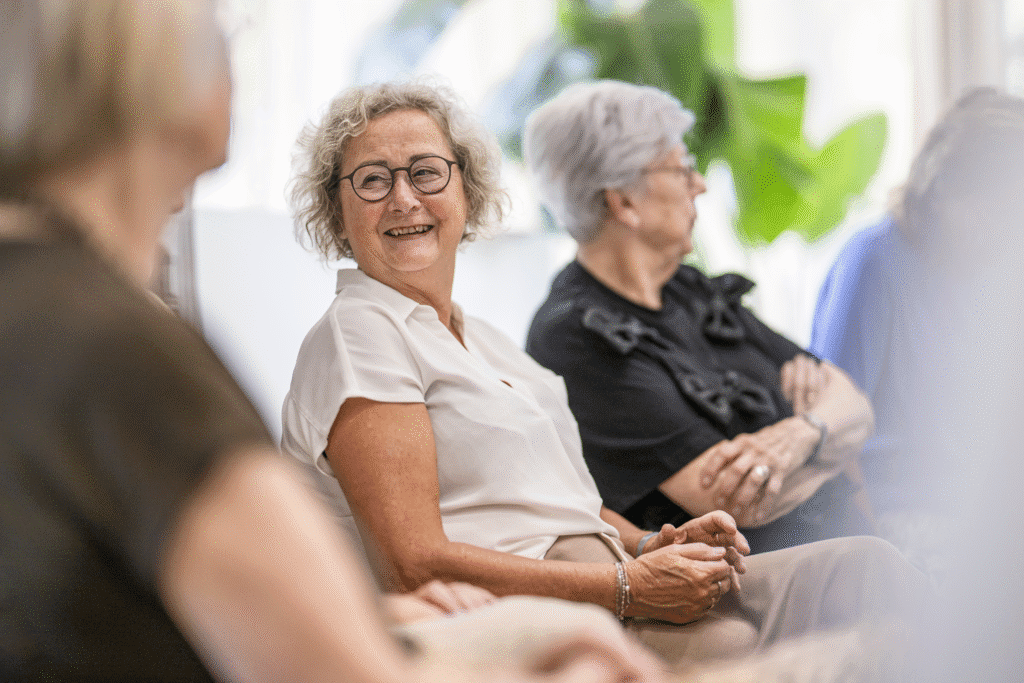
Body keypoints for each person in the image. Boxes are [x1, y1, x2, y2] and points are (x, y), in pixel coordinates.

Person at [0, 2, 663, 681]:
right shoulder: (118, 350)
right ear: (176, 88)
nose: (403, 197)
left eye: (426, 172)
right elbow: (344, 663)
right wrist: (547, 636)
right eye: (220, 32)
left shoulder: (41, 309)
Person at [281, 79, 923, 671]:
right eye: (371, 180)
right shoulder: (360, 334)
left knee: (866, 570)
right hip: (533, 606)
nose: (403, 198)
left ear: (465, 193)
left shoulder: (487, 342)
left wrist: (653, 543)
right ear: (338, 211)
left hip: (607, 573)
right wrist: (626, 586)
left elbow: (565, 506)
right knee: (754, 643)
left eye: (426, 173)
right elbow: (409, 562)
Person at [522, 80, 875, 555]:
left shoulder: (691, 289)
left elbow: (855, 402)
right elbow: (736, 504)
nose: (701, 184)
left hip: (843, 544)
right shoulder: (577, 336)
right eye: (681, 170)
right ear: (624, 202)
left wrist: (801, 434)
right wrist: (833, 436)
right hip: (755, 568)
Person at [809, 88, 1024, 551]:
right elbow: (831, 429)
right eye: (990, 209)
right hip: (902, 513)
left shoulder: (995, 273)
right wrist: (875, 550)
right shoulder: (875, 261)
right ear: (941, 188)